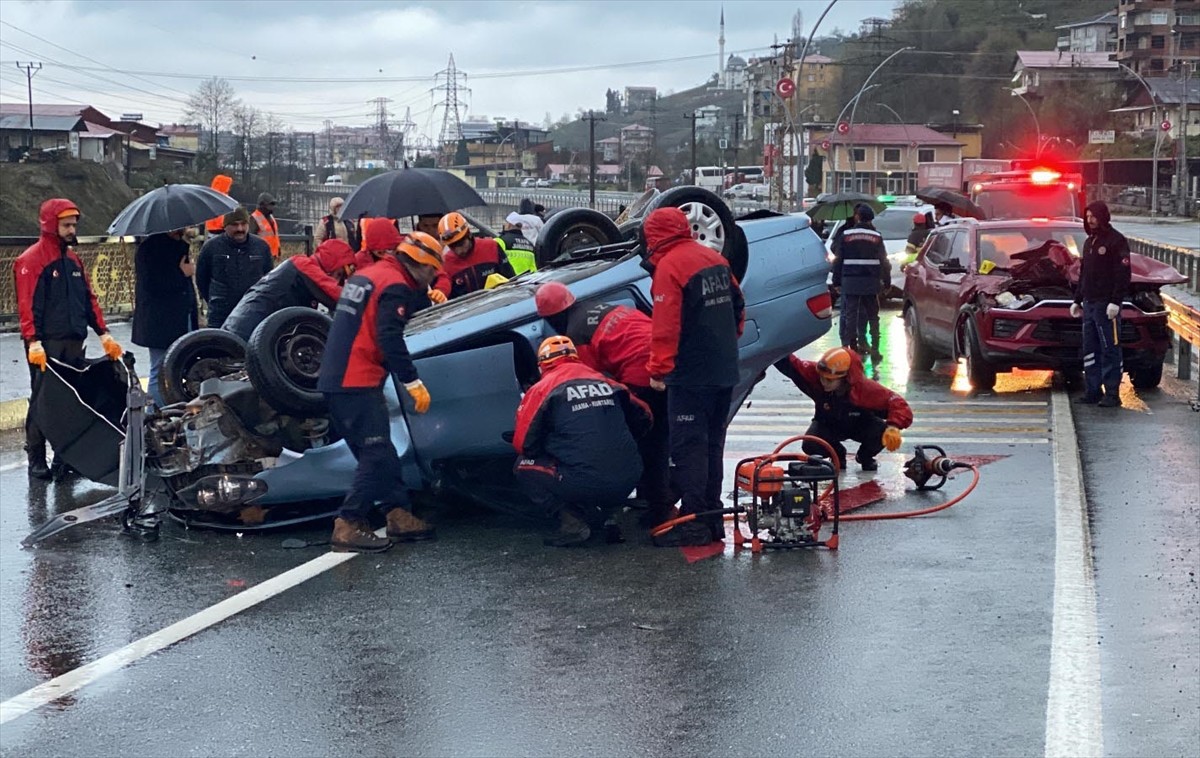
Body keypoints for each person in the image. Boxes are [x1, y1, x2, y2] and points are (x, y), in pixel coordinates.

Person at [317, 225, 446, 552]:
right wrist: (412, 381)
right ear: (419, 262)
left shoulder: (370, 274)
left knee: (381, 453)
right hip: (357, 378)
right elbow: (389, 336)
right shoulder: (394, 285)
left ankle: (397, 513)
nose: (432, 277)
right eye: (431, 270)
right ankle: (348, 522)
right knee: (375, 453)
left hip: (336, 376)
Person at [643, 206, 744, 547]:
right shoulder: (713, 257)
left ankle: (694, 523)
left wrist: (659, 371)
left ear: (654, 236)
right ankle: (711, 517)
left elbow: (666, 326)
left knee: (688, 448)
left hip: (690, 375)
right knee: (713, 444)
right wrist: (727, 342)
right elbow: (738, 304)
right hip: (724, 369)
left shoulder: (669, 267)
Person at [534, 282, 673, 527]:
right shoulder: (600, 308)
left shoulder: (576, 334)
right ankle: (654, 498)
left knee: (643, 439)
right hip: (665, 356)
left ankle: (656, 506)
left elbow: (584, 380)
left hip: (641, 370)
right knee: (659, 436)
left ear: (551, 317)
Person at [14, 199, 123, 480]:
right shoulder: (31, 260)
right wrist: (33, 340)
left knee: (73, 402)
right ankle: (36, 457)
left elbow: (89, 300)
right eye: (66, 225)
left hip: (74, 339)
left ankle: (64, 458)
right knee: (43, 401)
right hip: (46, 343)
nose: (71, 229)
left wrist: (104, 333)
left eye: (74, 224)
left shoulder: (73, 260)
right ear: (51, 225)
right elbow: (27, 305)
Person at [512, 336, 652, 546]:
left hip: (585, 480)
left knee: (522, 466)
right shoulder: (609, 383)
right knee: (605, 459)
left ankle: (572, 524)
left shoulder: (543, 389)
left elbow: (524, 444)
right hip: (630, 475)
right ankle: (607, 516)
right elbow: (646, 416)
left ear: (542, 364)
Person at [774, 346, 912, 471]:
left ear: (846, 378)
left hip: (862, 426)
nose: (823, 382)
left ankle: (865, 457)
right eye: (822, 378)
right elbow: (791, 364)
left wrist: (894, 426)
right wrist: (769, 349)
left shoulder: (865, 389)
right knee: (810, 444)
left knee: (882, 432)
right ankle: (837, 455)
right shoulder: (814, 375)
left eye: (829, 380)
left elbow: (898, 403)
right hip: (827, 426)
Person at [221, 238, 356, 341]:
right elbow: (336, 295)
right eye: (339, 274)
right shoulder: (305, 266)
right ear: (334, 263)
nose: (337, 281)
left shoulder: (301, 267)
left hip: (243, 327)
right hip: (245, 331)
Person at [1072, 201, 1131, 408]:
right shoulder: (1090, 242)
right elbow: (1084, 274)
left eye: (1094, 216)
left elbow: (1122, 274)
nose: (1090, 220)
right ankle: (1092, 390)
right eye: (1088, 217)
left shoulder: (1116, 241)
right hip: (1089, 304)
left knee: (1110, 349)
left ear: (1103, 216)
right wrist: (1077, 299)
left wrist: (1116, 301)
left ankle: (1112, 393)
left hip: (1107, 305)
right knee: (1090, 349)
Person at [132, 229, 197, 406]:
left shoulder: (179, 246)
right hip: (159, 322)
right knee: (159, 370)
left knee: (179, 367)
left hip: (182, 317)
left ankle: (174, 412)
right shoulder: (150, 249)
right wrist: (181, 274)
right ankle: (155, 414)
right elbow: (152, 285)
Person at [195, 206, 274, 328]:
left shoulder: (261, 247)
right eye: (235, 225)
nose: (240, 229)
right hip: (220, 314)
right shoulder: (211, 248)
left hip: (251, 313)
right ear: (225, 226)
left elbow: (268, 279)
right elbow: (202, 280)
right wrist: (215, 300)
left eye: (243, 224)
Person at [831, 203, 888, 357]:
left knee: (851, 314)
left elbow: (838, 260)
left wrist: (836, 282)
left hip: (851, 281)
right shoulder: (877, 237)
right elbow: (884, 260)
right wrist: (887, 282)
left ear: (857, 217)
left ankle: (851, 348)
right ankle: (875, 348)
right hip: (871, 282)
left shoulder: (847, 235)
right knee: (872, 315)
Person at [435, 211, 516, 299]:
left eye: (461, 244)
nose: (459, 251)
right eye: (452, 246)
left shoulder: (491, 247)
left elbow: (510, 278)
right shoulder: (446, 263)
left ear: (469, 234)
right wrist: (440, 292)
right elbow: (443, 284)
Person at [248, 193, 281, 259]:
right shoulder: (254, 218)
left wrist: (278, 250)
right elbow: (250, 239)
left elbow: (275, 236)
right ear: (262, 205)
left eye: (273, 205)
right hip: (261, 256)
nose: (272, 208)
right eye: (270, 205)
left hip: (273, 255)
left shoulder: (270, 217)